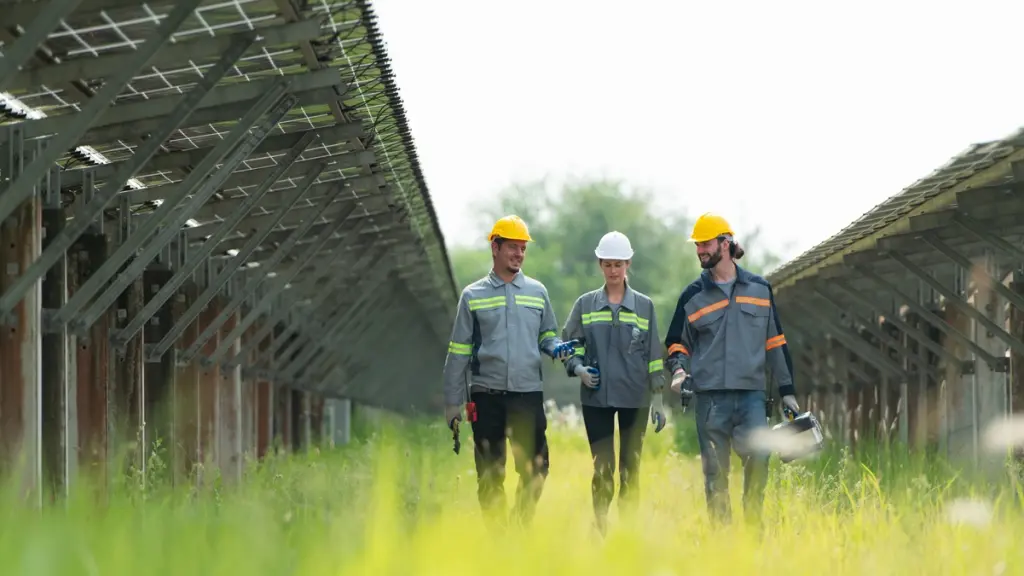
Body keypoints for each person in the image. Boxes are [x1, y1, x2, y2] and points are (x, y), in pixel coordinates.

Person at [663, 212, 799, 527]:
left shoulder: (760, 289)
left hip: (752, 398)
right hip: (710, 399)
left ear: (725, 244)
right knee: (715, 473)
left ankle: (752, 531)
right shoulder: (692, 296)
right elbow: (676, 343)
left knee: (759, 461)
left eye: (705, 244)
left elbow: (775, 342)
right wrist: (679, 371)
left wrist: (788, 391)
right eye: (697, 245)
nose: (699, 250)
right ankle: (721, 540)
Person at [442, 215, 575, 529]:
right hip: (486, 396)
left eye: (523, 248)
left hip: (527, 395)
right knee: (490, 474)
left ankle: (519, 525)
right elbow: (459, 350)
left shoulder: (538, 292)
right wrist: (452, 402)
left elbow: (547, 334)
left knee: (537, 469)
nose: (519, 254)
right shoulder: (472, 296)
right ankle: (498, 538)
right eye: (513, 247)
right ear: (495, 247)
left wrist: (556, 347)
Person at [559, 231, 667, 535]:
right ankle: (601, 526)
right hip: (596, 398)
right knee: (602, 467)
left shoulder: (644, 306)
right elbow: (569, 345)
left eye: (618, 264)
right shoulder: (585, 305)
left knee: (631, 467)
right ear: (600, 264)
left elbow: (653, 354)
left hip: (636, 398)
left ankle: (628, 532)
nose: (613, 270)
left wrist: (658, 397)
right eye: (607, 264)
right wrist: (578, 368)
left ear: (628, 264)